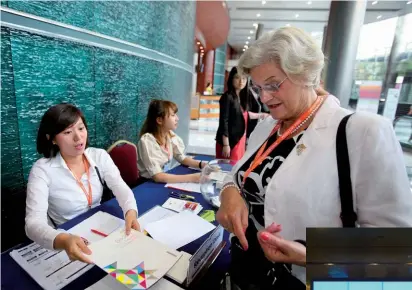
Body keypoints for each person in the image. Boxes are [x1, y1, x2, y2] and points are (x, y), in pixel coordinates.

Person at [216, 27, 412, 289]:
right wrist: (230, 192)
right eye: (259, 87)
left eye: (273, 85)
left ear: (306, 74)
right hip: (247, 271)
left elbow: (398, 255)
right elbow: (239, 174)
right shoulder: (266, 127)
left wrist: (310, 257)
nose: (264, 97)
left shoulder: (362, 132)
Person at [25, 103, 140, 264]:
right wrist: (63, 239)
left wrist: (130, 211)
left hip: (101, 230)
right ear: (52, 139)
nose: (78, 138)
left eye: (81, 128)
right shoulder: (42, 170)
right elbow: (33, 224)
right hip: (66, 239)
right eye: (67, 132)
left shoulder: (99, 156)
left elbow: (121, 189)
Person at [137, 99, 206, 183]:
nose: (177, 118)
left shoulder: (169, 135)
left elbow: (181, 158)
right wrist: (193, 178)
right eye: (173, 115)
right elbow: (158, 176)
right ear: (159, 120)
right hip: (148, 184)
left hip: (164, 180)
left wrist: (202, 165)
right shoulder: (147, 141)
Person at [216, 67, 269, 162]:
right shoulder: (227, 97)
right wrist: (226, 144)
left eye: (244, 78)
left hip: (240, 139)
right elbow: (224, 122)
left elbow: (244, 115)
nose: (241, 81)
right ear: (231, 79)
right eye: (237, 78)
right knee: (226, 168)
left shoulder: (242, 98)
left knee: (236, 166)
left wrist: (261, 115)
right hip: (230, 141)